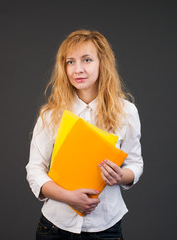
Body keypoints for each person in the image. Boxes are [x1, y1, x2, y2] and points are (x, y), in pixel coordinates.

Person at [26, 29, 143, 240]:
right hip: (54, 228)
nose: (77, 69)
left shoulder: (126, 111)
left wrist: (120, 176)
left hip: (106, 227)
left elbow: (135, 164)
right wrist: (68, 197)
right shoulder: (51, 114)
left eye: (87, 60)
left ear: (102, 63)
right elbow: (34, 169)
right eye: (70, 62)